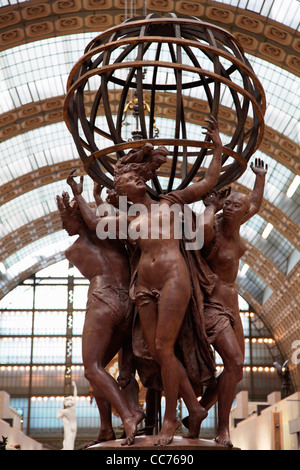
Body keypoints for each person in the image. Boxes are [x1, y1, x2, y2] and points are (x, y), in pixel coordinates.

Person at [96, 115, 223, 446]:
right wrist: (88, 198)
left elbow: (208, 183)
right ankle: (194, 409)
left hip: (173, 277)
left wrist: (218, 147)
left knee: (165, 348)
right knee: (157, 352)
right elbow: (97, 222)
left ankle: (170, 419)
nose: (136, 183)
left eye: (138, 180)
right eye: (127, 183)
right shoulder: (126, 219)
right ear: (120, 192)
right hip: (144, 287)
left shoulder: (171, 201)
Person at [56, 179, 144, 447]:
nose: (64, 225)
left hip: (102, 301)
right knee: (107, 370)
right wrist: (91, 198)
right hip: (128, 304)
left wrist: (82, 198)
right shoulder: (112, 234)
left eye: (66, 219)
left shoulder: (75, 248)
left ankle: (129, 415)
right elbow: (102, 219)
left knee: (92, 368)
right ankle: (106, 428)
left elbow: (94, 220)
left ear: (78, 218)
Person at [197, 157, 268, 447]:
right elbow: (199, 232)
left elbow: (254, 203)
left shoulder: (238, 223)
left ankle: (199, 413)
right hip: (212, 305)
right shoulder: (213, 229)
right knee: (235, 360)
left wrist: (260, 178)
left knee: (236, 370)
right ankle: (222, 428)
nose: (231, 208)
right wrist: (210, 206)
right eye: (228, 205)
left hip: (233, 305)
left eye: (235, 206)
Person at [56, 381, 77, 450]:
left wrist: (60, 410)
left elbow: (57, 417)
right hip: (74, 426)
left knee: (68, 442)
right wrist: (74, 386)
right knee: (71, 442)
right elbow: (75, 395)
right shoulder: (73, 409)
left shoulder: (64, 411)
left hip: (69, 427)